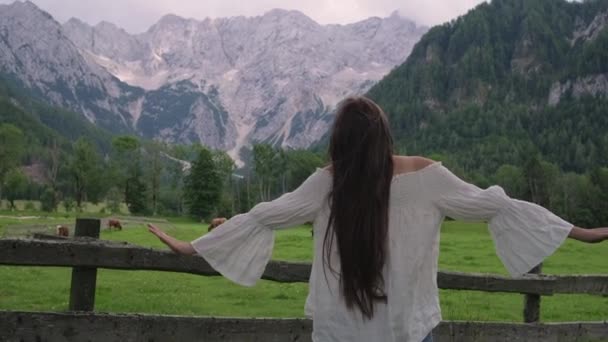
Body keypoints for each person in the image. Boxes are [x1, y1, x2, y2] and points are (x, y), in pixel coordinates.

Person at [148, 96, 608, 342]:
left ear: (340, 143)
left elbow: (266, 215)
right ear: (383, 136)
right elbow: (497, 204)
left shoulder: (327, 181)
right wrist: (583, 233)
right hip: (409, 330)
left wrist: (192, 245)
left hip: (342, 333)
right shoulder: (428, 176)